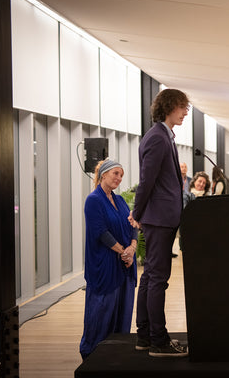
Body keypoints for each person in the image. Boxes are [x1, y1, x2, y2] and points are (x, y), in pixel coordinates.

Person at [128, 88, 189, 357]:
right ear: (169, 106)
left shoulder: (165, 136)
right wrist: (137, 212)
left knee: (152, 277)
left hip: (162, 217)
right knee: (157, 280)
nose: (186, 112)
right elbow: (147, 180)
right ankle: (159, 341)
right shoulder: (157, 138)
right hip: (159, 219)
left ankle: (144, 336)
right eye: (182, 107)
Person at [80, 159, 138, 359]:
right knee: (101, 314)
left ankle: (117, 355)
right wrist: (124, 252)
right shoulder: (93, 200)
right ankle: (94, 356)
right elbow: (101, 233)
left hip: (124, 265)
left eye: (121, 175)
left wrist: (132, 248)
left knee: (123, 313)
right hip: (105, 266)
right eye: (115, 173)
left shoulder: (120, 200)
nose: (119, 178)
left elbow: (133, 225)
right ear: (103, 174)